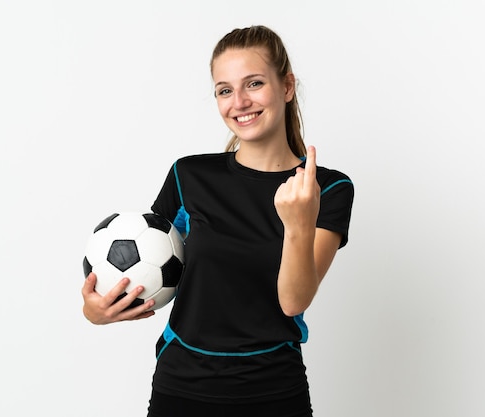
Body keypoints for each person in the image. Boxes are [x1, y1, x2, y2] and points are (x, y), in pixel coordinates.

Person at [81, 25, 354, 417]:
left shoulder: (325, 187)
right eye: (224, 90)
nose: (239, 102)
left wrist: (297, 223)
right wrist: (96, 311)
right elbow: (142, 266)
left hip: (275, 391)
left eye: (254, 84)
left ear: (287, 86)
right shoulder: (188, 176)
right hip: (182, 389)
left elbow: (293, 302)